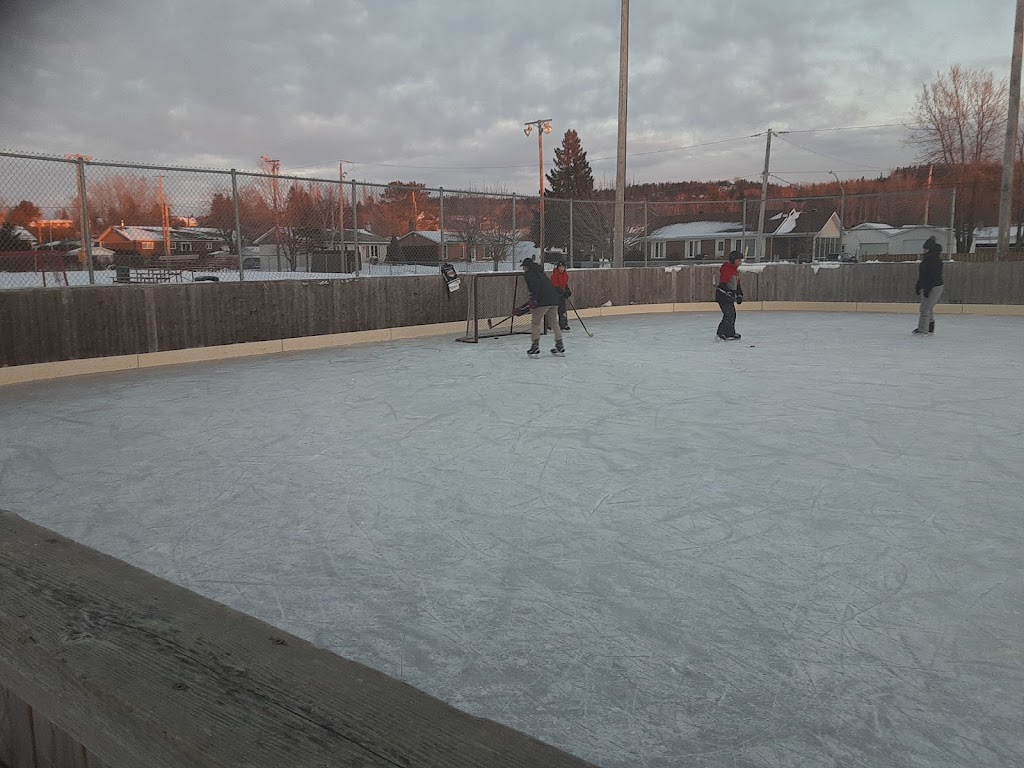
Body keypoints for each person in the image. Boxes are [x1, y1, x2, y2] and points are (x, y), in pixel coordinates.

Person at [521, 257, 565, 356]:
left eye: (524, 267)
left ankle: (535, 346)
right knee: (554, 322)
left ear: (526, 267)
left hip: (542, 301)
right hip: (553, 300)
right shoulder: (541, 272)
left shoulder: (529, 275)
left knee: (536, 323)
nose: (523, 269)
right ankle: (559, 344)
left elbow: (535, 288)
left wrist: (534, 300)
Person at [914, 236, 944, 335]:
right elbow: (923, 274)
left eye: (925, 249)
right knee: (927, 307)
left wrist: (927, 289)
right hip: (926, 286)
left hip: (934, 287)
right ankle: (930, 328)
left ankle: (923, 330)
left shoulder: (934, 261)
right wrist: (919, 285)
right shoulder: (927, 259)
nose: (924, 250)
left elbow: (933, 276)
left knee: (925, 308)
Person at [716, 250, 744, 340]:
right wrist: (727, 292)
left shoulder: (735, 271)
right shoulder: (727, 269)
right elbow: (723, 283)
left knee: (732, 314)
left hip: (730, 296)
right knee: (728, 315)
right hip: (723, 296)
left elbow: (737, 284)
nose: (740, 262)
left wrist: (739, 294)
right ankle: (721, 333)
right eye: (738, 260)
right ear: (733, 260)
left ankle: (730, 332)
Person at [550, 260, 571, 330]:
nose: (561, 268)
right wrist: (563, 292)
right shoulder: (554, 275)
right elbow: (555, 286)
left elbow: (565, 284)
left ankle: (563, 324)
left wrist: (567, 290)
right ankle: (549, 325)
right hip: (554, 295)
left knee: (563, 310)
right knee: (552, 311)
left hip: (561, 295)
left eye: (563, 267)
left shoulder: (566, 275)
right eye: (560, 267)